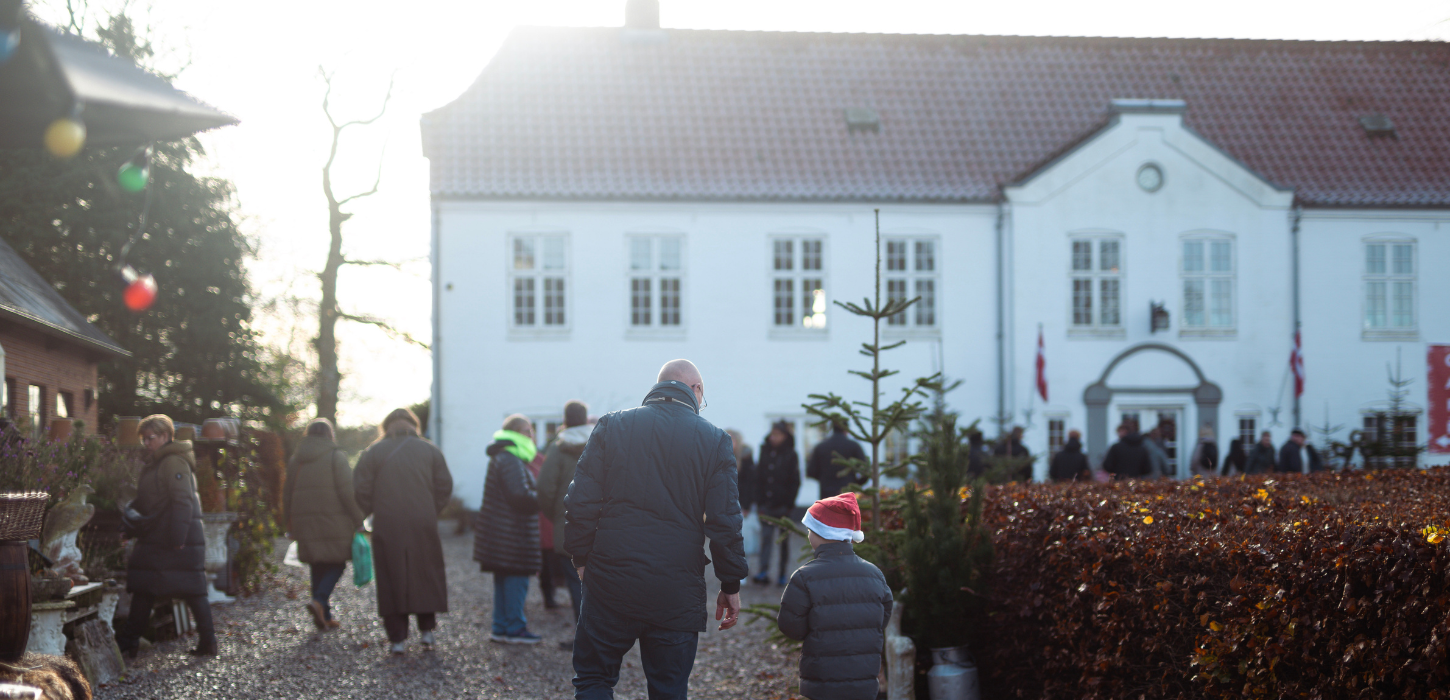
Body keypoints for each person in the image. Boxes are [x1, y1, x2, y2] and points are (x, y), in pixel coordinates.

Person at [564, 359, 749, 700]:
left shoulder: (612, 425)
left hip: (611, 578)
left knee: (593, 679)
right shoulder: (715, 440)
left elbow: (580, 501)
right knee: (669, 690)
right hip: (675, 587)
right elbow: (725, 520)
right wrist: (730, 583)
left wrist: (581, 557)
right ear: (696, 389)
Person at [354, 407, 453, 656]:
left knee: (391, 576)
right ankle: (427, 631)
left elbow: (360, 488)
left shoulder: (373, 452)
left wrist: (374, 510)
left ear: (387, 426)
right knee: (425, 572)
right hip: (423, 521)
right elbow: (444, 486)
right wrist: (430, 509)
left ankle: (397, 638)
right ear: (414, 424)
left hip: (388, 521)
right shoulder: (430, 450)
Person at [117, 414, 217, 658]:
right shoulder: (158, 463)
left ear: (165, 436)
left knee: (191, 590)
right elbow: (146, 502)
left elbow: (183, 501)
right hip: (161, 536)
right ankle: (130, 641)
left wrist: (178, 538)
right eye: (143, 439)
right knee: (147, 586)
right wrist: (129, 528)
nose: (146, 444)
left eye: (150, 438)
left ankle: (207, 643)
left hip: (175, 538)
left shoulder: (173, 462)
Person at [777, 492, 893, 700]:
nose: (808, 536)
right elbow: (882, 618)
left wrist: (817, 631)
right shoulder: (875, 574)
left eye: (810, 530)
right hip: (864, 681)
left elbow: (790, 626)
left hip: (822, 682)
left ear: (822, 533)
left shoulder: (804, 577)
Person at [283, 417, 365, 631]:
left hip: (304, 522)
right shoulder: (336, 456)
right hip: (333, 520)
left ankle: (324, 616)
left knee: (317, 564)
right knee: (337, 563)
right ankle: (319, 601)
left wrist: (288, 524)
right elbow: (348, 492)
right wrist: (359, 520)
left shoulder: (296, 460)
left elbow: (287, 494)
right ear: (330, 435)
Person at [474, 414, 543, 644]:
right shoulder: (511, 459)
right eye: (527, 430)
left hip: (503, 534)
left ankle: (500, 627)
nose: (532, 435)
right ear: (515, 433)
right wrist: (543, 497)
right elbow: (519, 496)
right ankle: (515, 628)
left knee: (505, 581)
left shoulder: (503, 456)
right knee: (516, 580)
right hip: (513, 536)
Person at [538, 401, 592, 648]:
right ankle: (603, 638)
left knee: (576, 583)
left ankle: (584, 639)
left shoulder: (558, 448)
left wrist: (557, 516)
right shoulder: (604, 444)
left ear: (565, 420)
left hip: (568, 527)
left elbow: (545, 488)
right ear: (586, 418)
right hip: (602, 528)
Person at [752, 420, 801, 586]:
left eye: (778, 435)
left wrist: (789, 505)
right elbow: (758, 478)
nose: (774, 438)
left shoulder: (791, 454)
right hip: (766, 506)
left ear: (785, 436)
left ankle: (782, 574)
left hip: (783, 508)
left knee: (784, 542)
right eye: (773, 434)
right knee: (765, 540)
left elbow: (795, 481)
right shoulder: (765, 451)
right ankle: (763, 571)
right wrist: (759, 502)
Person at [808, 420, 866, 499]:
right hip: (848, 491)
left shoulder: (821, 447)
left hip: (827, 493)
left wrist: (824, 479)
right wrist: (856, 483)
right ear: (846, 429)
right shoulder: (854, 446)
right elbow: (865, 470)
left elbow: (811, 471)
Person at [726, 429, 756, 516]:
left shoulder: (745, 459)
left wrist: (746, 506)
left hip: (739, 503)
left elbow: (749, 484)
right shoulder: (718, 458)